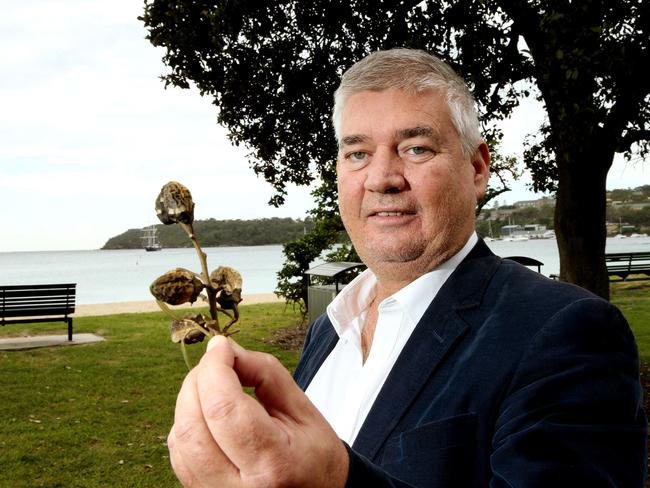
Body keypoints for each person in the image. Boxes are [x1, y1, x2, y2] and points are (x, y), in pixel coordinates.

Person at [167, 48, 647, 487]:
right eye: (357, 153)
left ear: (477, 168)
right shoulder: (329, 331)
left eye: (416, 148)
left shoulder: (568, 333)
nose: (381, 178)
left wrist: (337, 481)